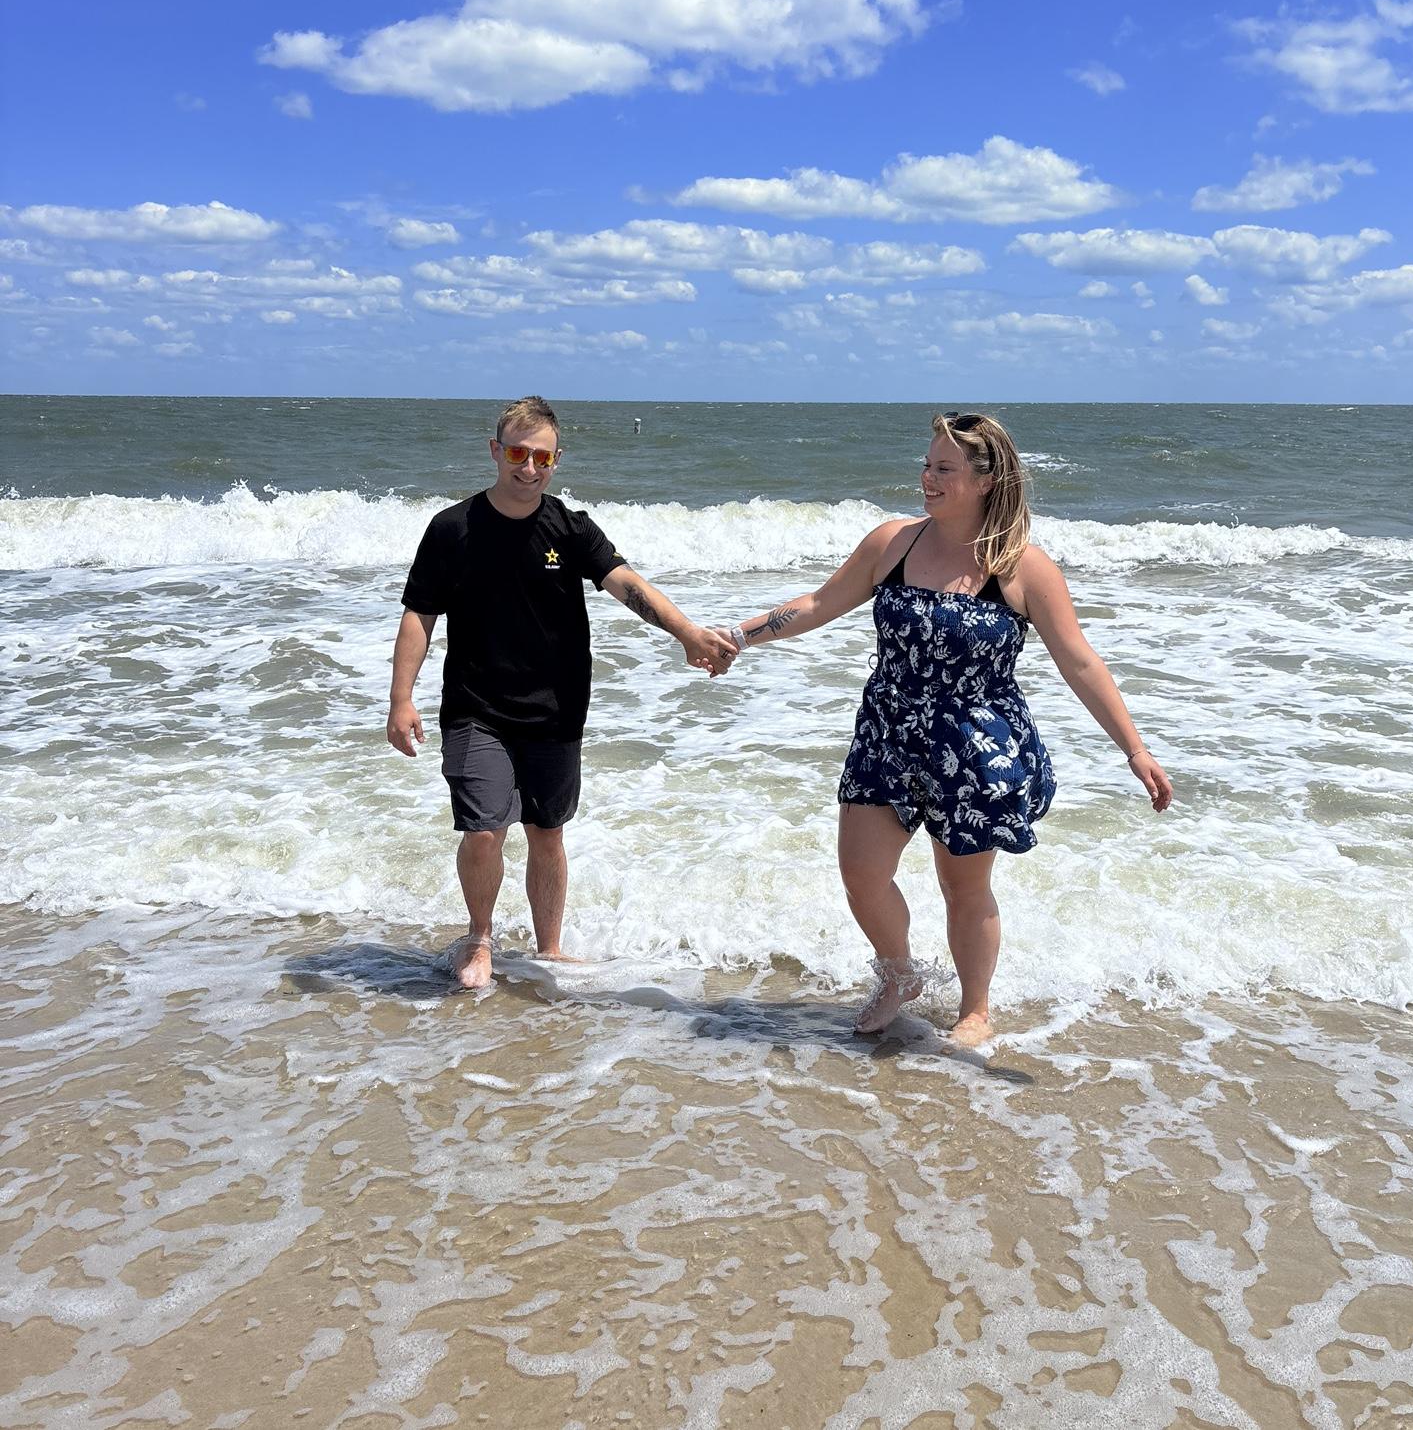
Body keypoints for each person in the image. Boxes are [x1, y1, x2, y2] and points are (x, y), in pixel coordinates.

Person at [720, 411, 1172, 1048]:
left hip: (975, 745)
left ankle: (976, 1008)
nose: (926, 478)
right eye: (927, 464)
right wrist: (740, 635)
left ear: (987, 480)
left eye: (944, 469)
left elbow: (1078, 660)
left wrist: (1135, 749)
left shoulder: (1022, 568)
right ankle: (899, 975)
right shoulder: (893, 543)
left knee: (964, 885)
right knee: (861, 872)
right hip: (888, 733)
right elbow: (819, 605)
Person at [387, 395, 737, 987]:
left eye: (542, 458)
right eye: (518, 454)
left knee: (547, 833)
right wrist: (401, 699)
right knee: (482, 829)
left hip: (555, 709)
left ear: (556, 460)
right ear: (496, 451)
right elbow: (419, 615)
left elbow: (627, 584)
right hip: (476, 708)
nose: (529, 468)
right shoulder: (453, 529)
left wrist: (687, 633)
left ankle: (549, 947)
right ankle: (478, 942)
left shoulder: (569, 528)